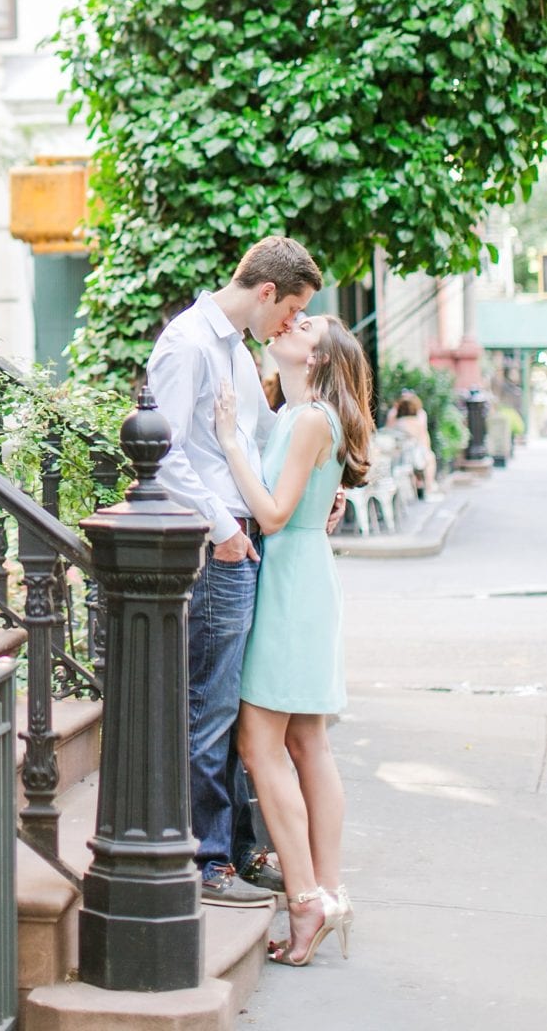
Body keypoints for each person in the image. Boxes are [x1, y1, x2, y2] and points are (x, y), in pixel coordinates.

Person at [147, 235, 326, 907]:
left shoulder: (233, 350)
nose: (289, 325)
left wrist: (316, 490)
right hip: (216, 542)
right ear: (265, 293)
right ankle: (207, 860)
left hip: (246, 538)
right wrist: (222, 531)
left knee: (238, 703)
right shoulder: (188, 343)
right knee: (213, 704)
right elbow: (161, 451)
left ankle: (240, 849)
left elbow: (253, 442)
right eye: (292, 311)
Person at [213, 312, 372, 966]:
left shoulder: (308, 419)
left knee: (261, 743)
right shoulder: (299, 413)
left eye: (307, 325)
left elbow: (273, 514)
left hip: (287, 584)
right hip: (302, 578)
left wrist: (226, 441)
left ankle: (306, 896)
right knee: (307, 742)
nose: (291, 323)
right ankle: (326, 892)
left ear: (321, 357)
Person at [386, 390, 437, 495]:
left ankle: (420, 484)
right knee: (429, 458)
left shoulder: (397, 421)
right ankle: (428, 486)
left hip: (399, 455)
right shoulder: (418, 421)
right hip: (414, 454)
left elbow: (388, 431)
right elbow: (424, 438)